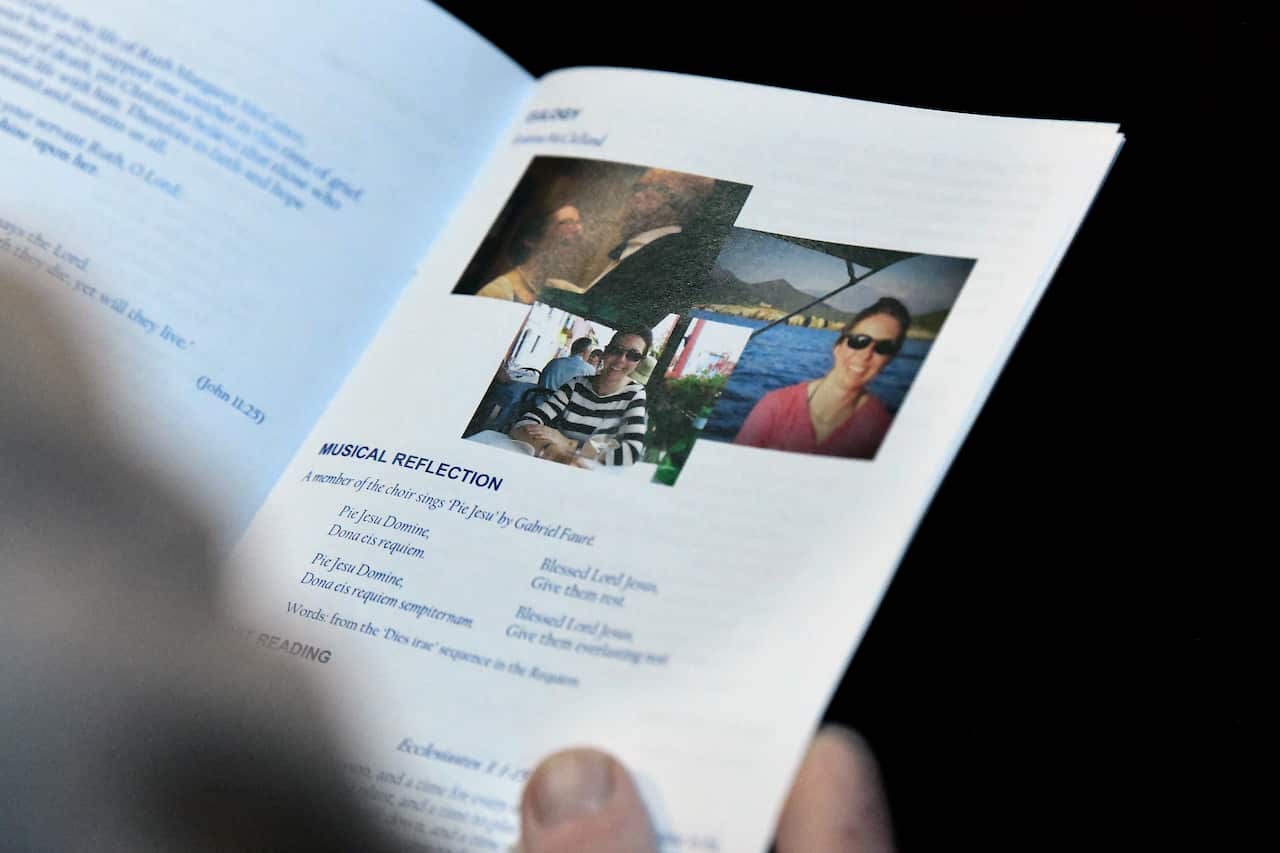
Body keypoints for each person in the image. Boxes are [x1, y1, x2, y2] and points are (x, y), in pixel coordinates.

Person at [735, 298, 911, 458]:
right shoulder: (776, 405)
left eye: (884, 347)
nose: (866, 355)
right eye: (859, 341)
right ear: (838, 346)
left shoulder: (883, 431)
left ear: (889, 360)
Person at [511, 328, 652, 466]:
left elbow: (630, 452)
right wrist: (550, 449)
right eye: (616, 350)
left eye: (633, 355)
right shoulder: (577, 384)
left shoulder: (635, 394)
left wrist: (568, 443)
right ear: (605, 352)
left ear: (639, 362)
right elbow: (523, 424)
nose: (621, 359)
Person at [477, 204, 588, 303]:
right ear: (532, 239)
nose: (579, 229)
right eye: (566, 223)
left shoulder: (558, 287)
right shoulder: (497, 292)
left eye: (578, 223)